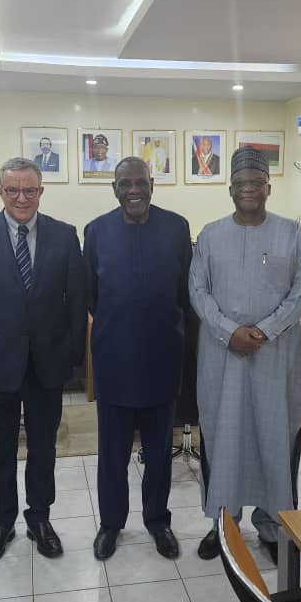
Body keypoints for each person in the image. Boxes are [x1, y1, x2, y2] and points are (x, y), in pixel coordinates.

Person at [0, 157, 86, 563]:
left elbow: (76, 301)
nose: (21, 198)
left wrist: (73, 358)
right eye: (12, 190)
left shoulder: (65, 236)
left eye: (30, 190)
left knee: (44, 446)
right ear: (0, 192)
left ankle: (39, 518)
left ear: (41, 191)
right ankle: (2, 521)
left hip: (46, 363)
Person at [190, 146, 301, 562]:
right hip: (223, 358)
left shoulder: (292, 233)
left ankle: (274, 527)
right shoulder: (210, 235)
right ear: (230, 190)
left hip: (274, 359)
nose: (248, 190)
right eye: (240, 184)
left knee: (274, 439)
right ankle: (223, 526)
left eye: (255, 184)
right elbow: (198, 291)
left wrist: (263, 330)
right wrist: (230, 332)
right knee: (223, 437)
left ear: (268, 188)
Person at [84, 157, 192, 560]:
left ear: (153, 185)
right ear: (114, 189)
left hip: (162, 356)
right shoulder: (96, 232)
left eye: (141, 182)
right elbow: (91, 294)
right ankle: (111, 523)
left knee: (159, 450)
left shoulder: (177, 228)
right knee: (112, 451)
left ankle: (158, 521)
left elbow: (184, 293)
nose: (134, 190)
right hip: (113, 359)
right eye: (125, 183)